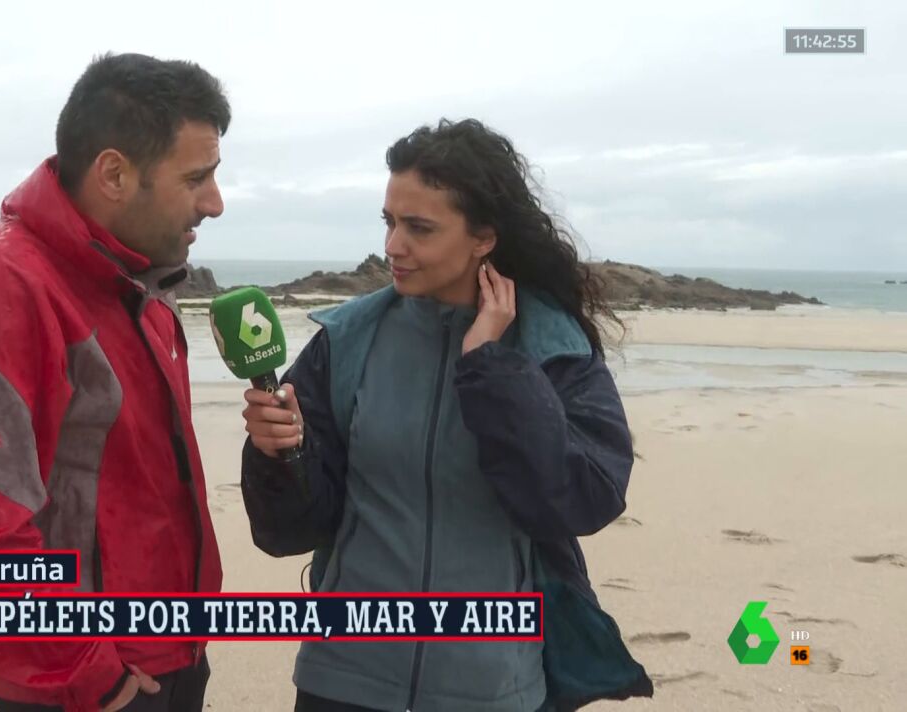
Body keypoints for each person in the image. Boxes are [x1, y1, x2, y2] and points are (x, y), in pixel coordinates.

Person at [239, 119, 654, 711]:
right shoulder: (346, 340)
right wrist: (280, 452)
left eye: (419, 227)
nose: (392, 246)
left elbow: (584, 499)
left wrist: (490, 368)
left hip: (494, 685)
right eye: (389, 222)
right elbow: (288, 530)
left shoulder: (552, 347)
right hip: (344, 677)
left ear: (483, 237)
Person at [0, 53, 229, 712]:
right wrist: (84, 669)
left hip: (169, 650)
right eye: (196, 178)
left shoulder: (141, 282)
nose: (214, 203)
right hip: (84, 683)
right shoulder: (1, 291)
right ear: (114, 173)